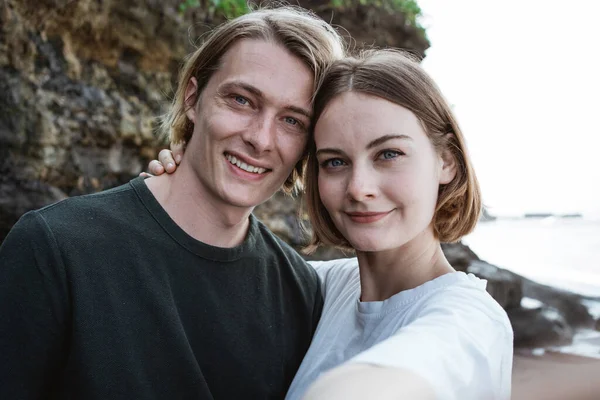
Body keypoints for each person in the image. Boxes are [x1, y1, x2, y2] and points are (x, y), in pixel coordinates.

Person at [0, 7, 346, 399]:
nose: (261, 139)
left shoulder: (300, 292)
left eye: (292, 121)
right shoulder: (55, 249)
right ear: (193, 99)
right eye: (241, 100)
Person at [147, 49, 514, 400]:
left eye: (389, 154)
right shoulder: (322, 288)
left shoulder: (471, 321)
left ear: (446, 160)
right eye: (335, 162)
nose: (359, 188)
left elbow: (417, 370)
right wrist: (190, 174)